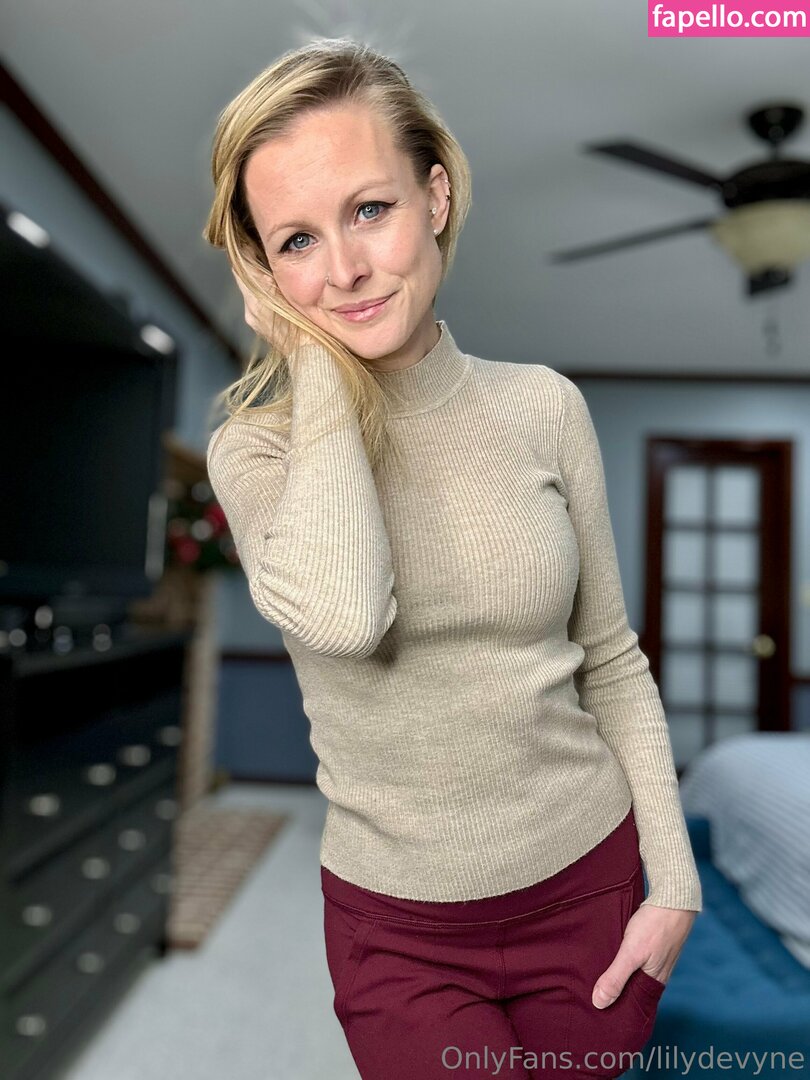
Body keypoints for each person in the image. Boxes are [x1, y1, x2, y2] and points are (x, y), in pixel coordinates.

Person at [202, 37, 702, 1080]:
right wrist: (316, 361)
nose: (343, 269)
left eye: (368, 210)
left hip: (590, 885)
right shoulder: (255, 451)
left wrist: (675, 883)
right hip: (399, 929)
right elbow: (347, 615)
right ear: (263, 271)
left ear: (434, 198)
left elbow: (611, 659)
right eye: (296, 240)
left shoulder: (544, 407)